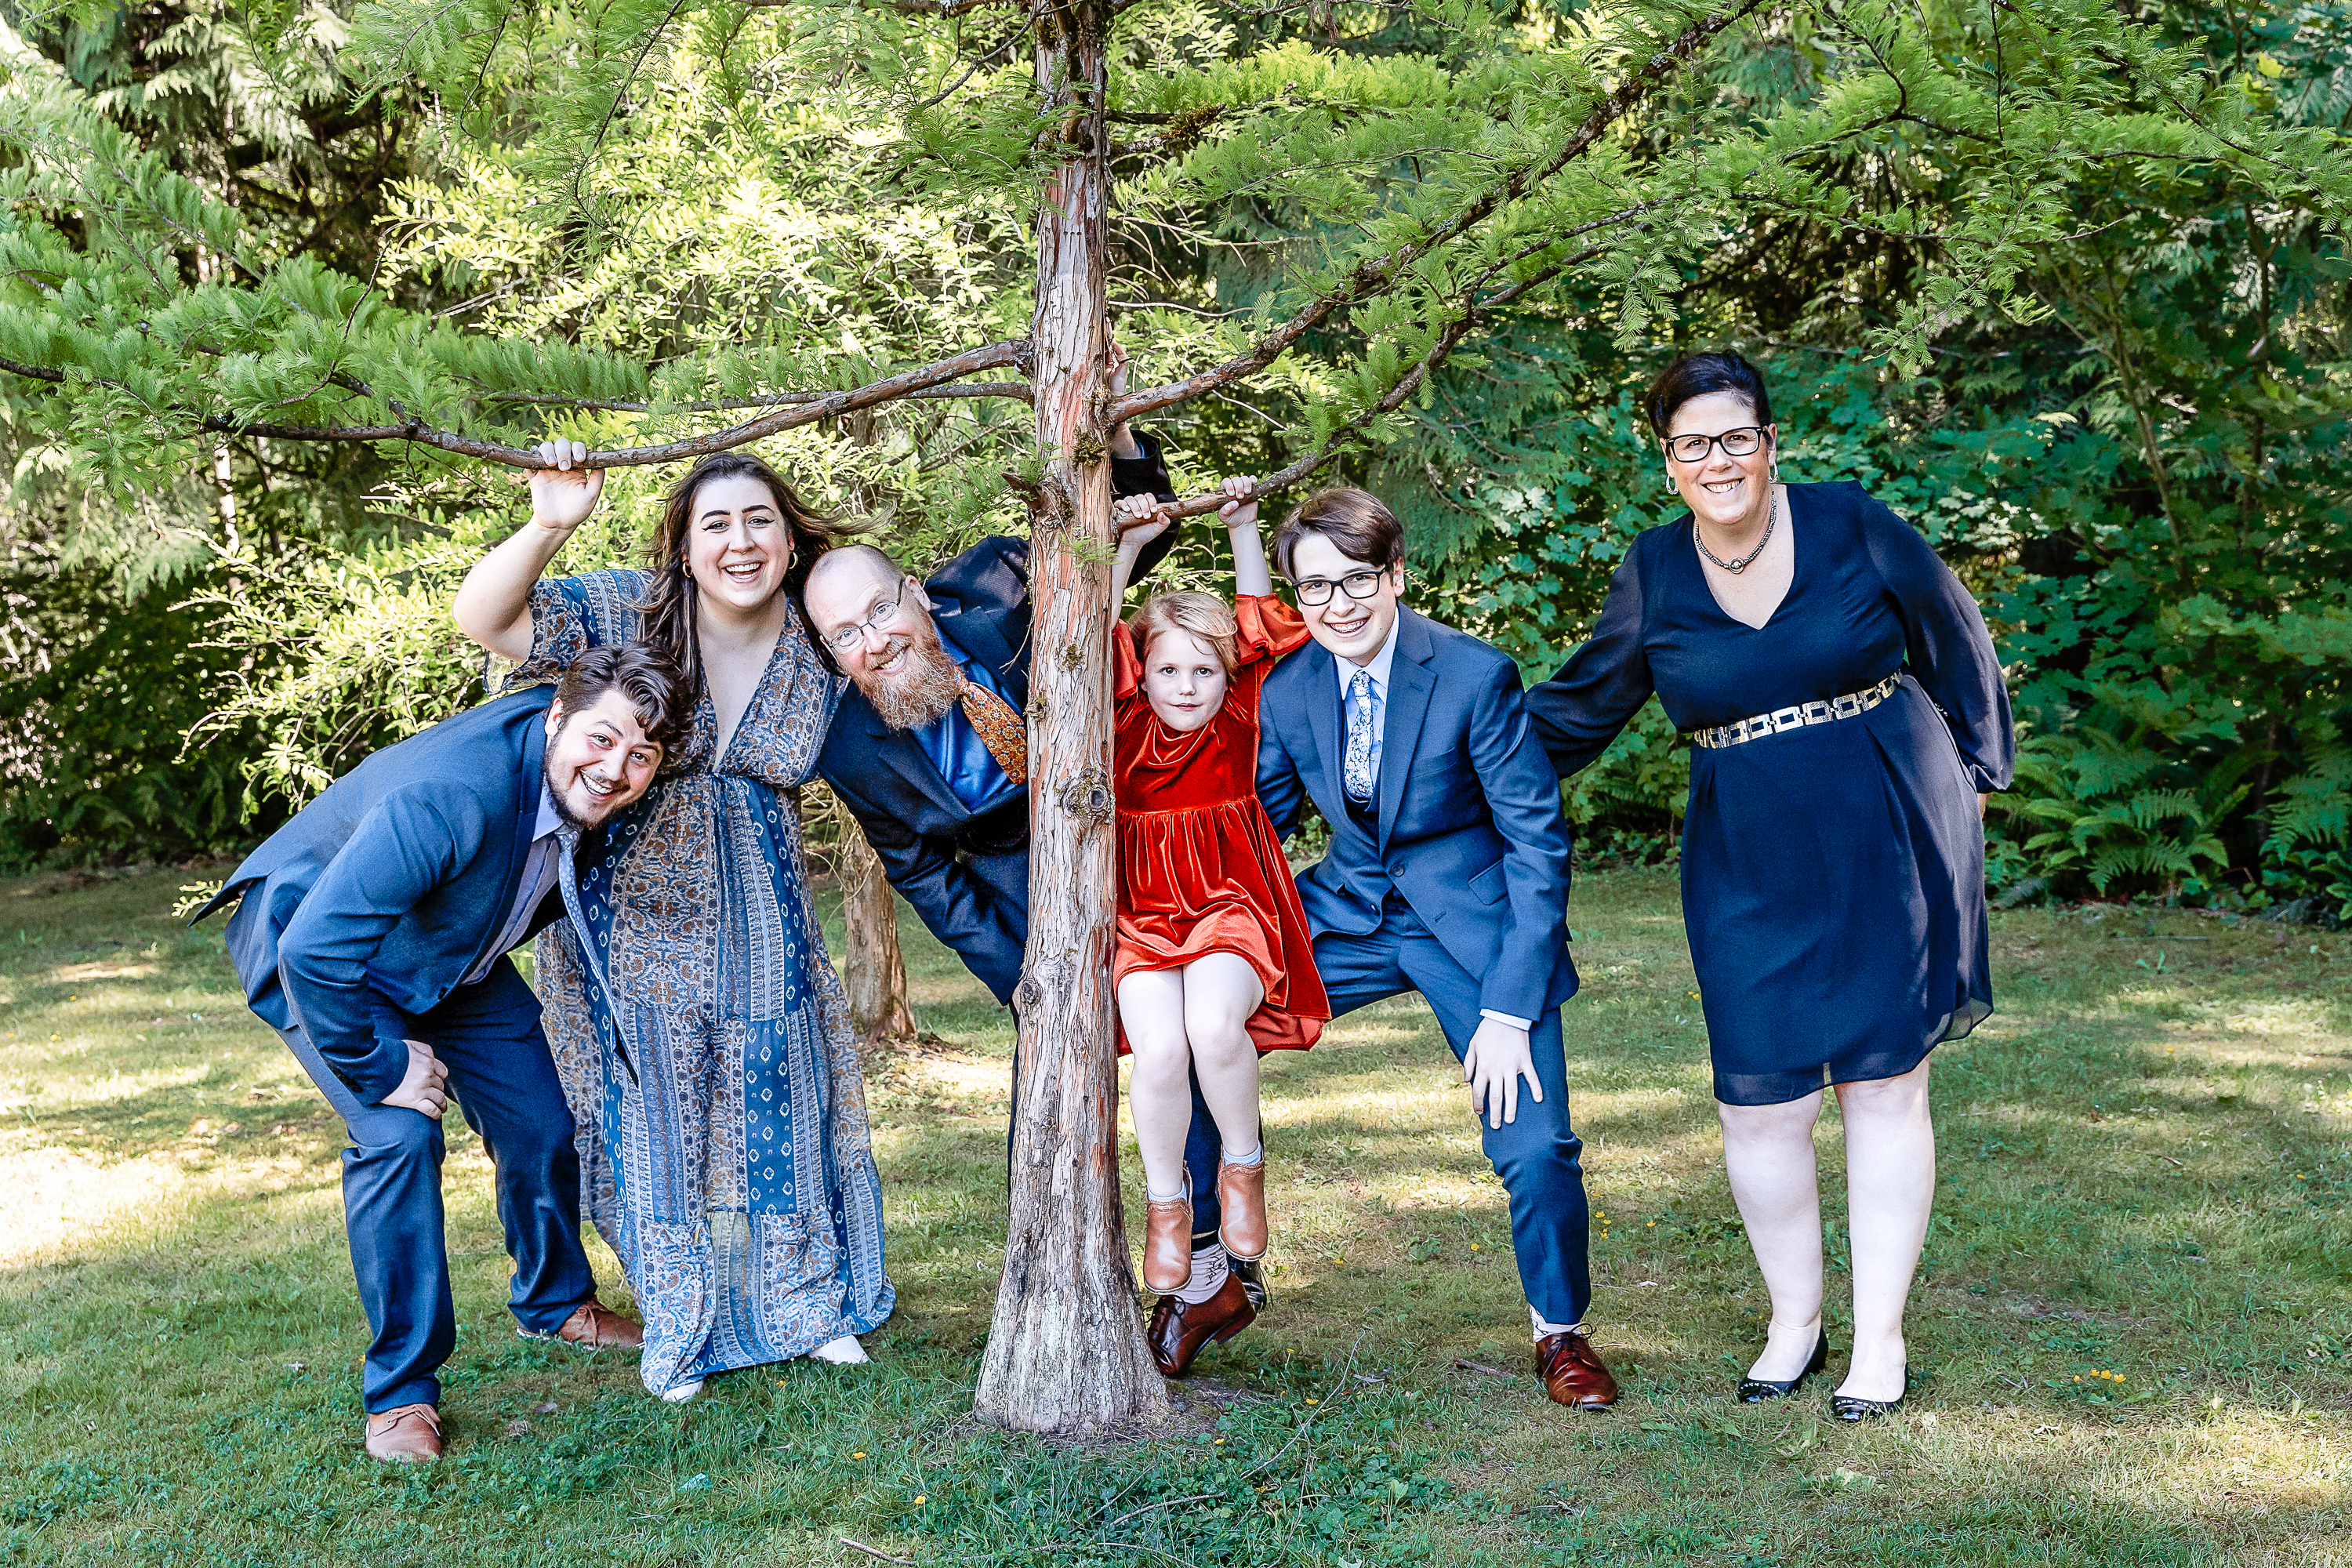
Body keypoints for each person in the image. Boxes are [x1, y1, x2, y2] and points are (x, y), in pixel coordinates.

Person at [1525, 350, 2013, 1421]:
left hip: (1886, 821)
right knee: (1760, 1107)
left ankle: (1877, 1338)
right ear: (1668, 463)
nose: (1719, 459)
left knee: (1884, 1084)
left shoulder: (1850, 523)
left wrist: (1975, 780)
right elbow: (1579, 706)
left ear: (1769, 441)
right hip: (1745, 856)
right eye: (1694, 443)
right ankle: (1796, 1319)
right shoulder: (1655, 572)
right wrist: (1456, 761)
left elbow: (1955, 636)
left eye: (1736, 436)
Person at [800, 388, 1258, 1336]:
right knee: (1049, 1093)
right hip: (1019, 893)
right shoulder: (846, 745)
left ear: (915, 591)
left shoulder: (1004, 582)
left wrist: (1120, 426)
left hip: (1138, 848)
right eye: (845, 636)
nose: (874, 641)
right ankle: (1060, 1286)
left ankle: (1211, 1270)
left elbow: (1128, 531)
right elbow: (920, 868)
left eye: (880, 610)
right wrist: (1020, 977)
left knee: (1180, 1048)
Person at [452, 443, 891, 1403]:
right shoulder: (630, 613)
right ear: (685, 547)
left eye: (760, 520)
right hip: (632, 921)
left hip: (766, 912)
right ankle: (683, 1326)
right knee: (658, 1119)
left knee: (780, 1099)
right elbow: (484, 618)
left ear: (791, 535)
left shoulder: (822, 632)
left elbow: (926, 647)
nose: (741, 542)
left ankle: (804, 1304)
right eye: (716, 525)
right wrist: (550, 521)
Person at [192, 644, 684, 1462]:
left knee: (539, 1122)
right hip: (319, 946)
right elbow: (315, 951)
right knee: (399, 1136)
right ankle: (401, 1392)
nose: (616, 769)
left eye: (640, 755)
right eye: (602, 740)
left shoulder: (582, 775)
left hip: (449, 947)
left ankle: (556, 1301)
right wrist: (384, 1066)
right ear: (556, 716)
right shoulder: (455, 796)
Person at [1255, 486, 1617, 1411]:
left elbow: (1539, 843)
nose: (1337, 605)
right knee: (1196, 1037)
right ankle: (1216, 1269)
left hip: (1476, 930)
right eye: (1314, 588)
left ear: (1397, 574)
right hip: (1347, 915)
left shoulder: (1472, 674)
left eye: (1356, 581)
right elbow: (1251, 823)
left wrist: (1506, 1008)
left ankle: (1559, 1329)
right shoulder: (1289, 690)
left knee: (1535, 1145)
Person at [1104, 477, 1330, 1377]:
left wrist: (1243, 527)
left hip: (1232, 895)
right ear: (1142, 670)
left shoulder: (1239, 710)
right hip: (1142, 911)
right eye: (1168, 668)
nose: (1187, 685)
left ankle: (1242, 1167)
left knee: (1211, 1026)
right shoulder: (1117, 716)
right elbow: (1085, 638)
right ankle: (1167, 1206)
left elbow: (1267, 627)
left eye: (1204, 668)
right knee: (1158, 1050)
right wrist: (1119, 550)